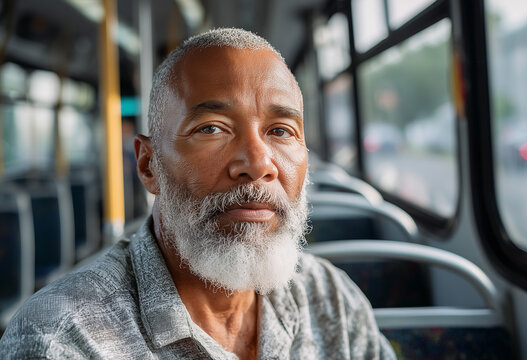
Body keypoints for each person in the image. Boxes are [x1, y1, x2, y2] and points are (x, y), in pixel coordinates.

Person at [0, 28, 396, 359]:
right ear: (148, 166)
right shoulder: (63, 339)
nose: (258, 163)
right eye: (212, 128)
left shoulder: (333, 301)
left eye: (281, 131)